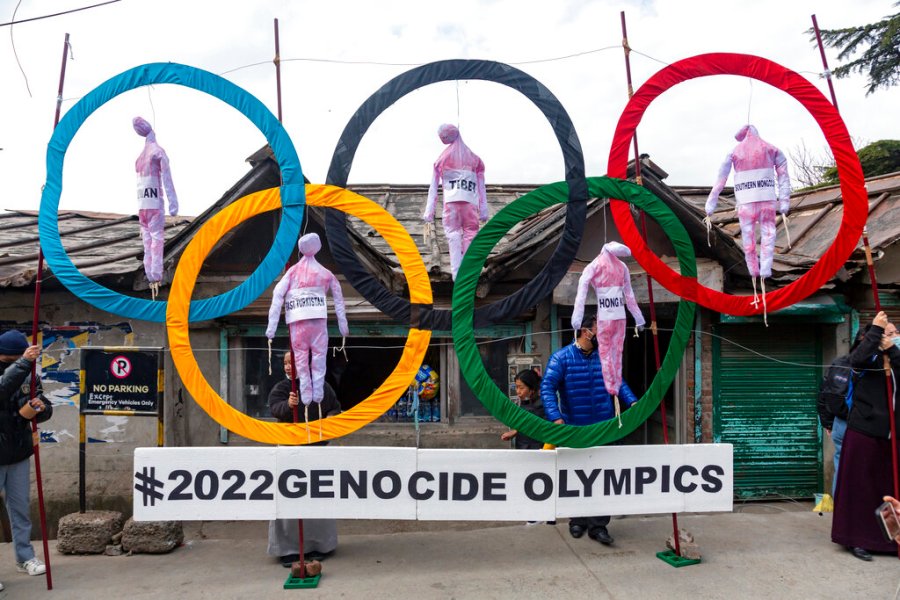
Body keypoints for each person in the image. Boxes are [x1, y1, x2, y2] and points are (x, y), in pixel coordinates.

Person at [541, 315, 639, 545]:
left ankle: (599, 526)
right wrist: (555, 417)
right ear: (586, 332)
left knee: (602, 478)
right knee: (577, 477)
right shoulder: (561, 358)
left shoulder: (606, 357)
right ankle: (577, 520)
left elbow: (619, 382)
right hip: (575, 430)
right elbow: (547, 387)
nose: (604, 334)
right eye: (600, 329)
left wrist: (633, 403)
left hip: (603, 428)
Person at [831, 311, 900, 561]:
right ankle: (857, 539)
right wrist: (874, 332)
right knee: (860, 489)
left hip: (893, 437)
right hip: (865, 433)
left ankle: (892, 540)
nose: (891, 336)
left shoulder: (897, 358)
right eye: (887, 332)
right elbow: (855, 361)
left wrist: (893, 350)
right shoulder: (867, 359)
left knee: (890, 491)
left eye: (894, 333)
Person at [267, 352, 341, 567]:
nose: (289, 367)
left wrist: (331, 418)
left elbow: (334, 406)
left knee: (317, 499)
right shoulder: (282, 389)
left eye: (293, 362)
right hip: (289, 451)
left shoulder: (321, 387)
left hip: (317, 451)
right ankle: (288, 549)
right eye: (285, 363)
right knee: (288, 501)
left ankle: (320, 546)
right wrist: (288, 406)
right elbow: (274, 409)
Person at [0, 330, 53, 588]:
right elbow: (2, 389)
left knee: (20, 510)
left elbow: (43, 402)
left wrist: (40, 408)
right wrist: (22, 363)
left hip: (19, 451)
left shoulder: (29, 373)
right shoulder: (19, 368)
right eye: (14, 358)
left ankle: (25, 558)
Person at [133, 116, 178, 298]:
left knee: (147, 241)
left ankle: (151, 274)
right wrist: (173, 206)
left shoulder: (139, 158)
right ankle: (155, 274)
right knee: (156, 239)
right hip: (154, 204)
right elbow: (167, 178)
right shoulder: (157, 152)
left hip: (142, 205)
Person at [500, 369, 545, 450]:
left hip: (536, 450)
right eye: (516, 387)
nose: (518, 391)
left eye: (521, 388)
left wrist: (515, 432)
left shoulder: (541, 406)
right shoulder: (524, 403)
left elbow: (533, 423)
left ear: (532, 389)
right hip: (523, 448)